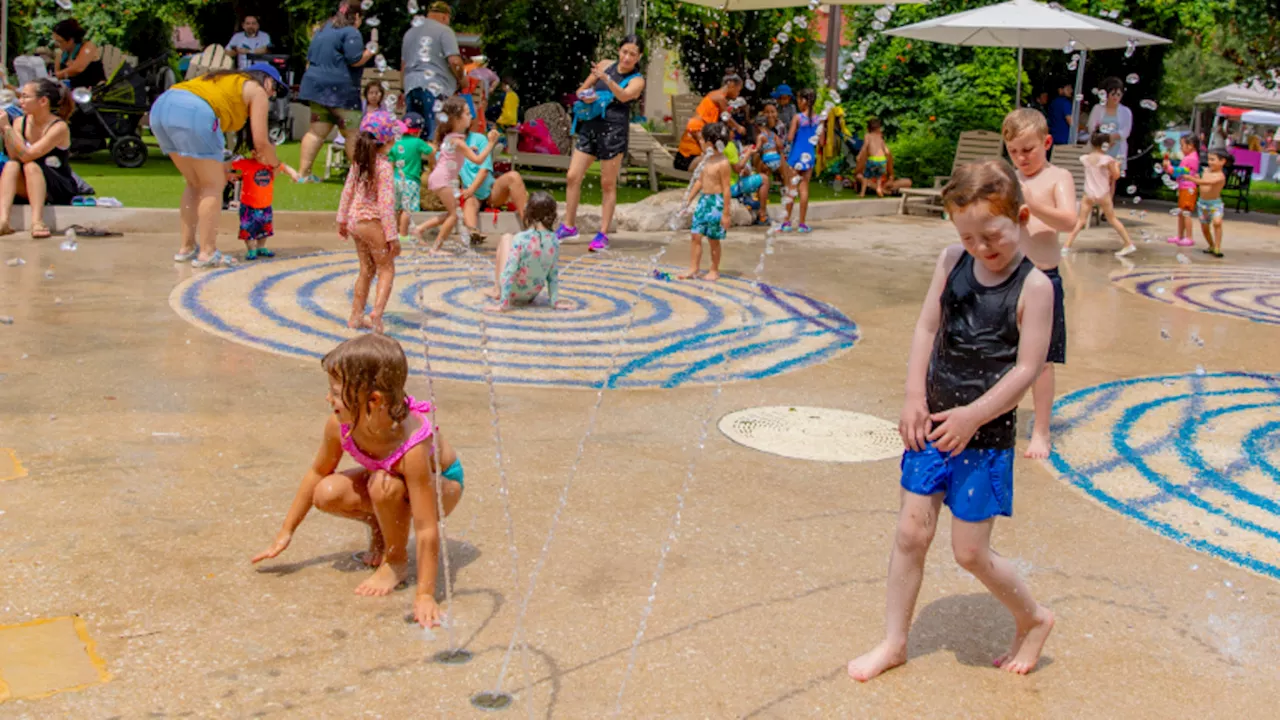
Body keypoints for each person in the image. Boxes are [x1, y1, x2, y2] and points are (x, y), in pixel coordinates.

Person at [847, 159, 1055, 683]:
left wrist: (973, 415)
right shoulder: (950, 261)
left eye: (992, 235)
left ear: (1022, 218)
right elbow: (926, 328)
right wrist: (913, 395)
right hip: (932, 425)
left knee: (969, 553)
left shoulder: (1036, 288)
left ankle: (1033, 618)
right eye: (968, 237)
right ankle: (894, 641)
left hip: (984, 437)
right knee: (910, 534)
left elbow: (1027, 369)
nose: (981, 247)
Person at [251, 334, 465, 628]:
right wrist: (285, 532)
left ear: (374, 399)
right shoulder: (341, 426)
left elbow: (427, 527)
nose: (329, 399)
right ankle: (384, 526)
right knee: (326, 493)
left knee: (384, 485)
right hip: (388, 479)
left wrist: (426, 594)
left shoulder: (412, 445)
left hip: (443, 485)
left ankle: (396, 561)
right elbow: (317, 474)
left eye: (336, 392)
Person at [149, 63, 283, 268]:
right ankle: (208, 252)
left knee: (194, 183)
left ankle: (187, 247)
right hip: (194, 111)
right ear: (267, 79)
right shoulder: (257, 90)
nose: (273, 94)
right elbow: (262, 142)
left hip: (161, 107)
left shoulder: (224, 80)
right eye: (276, 88)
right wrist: (275, 164)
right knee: (212, 185)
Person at [1002, 109, 1076, 461]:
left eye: (1028, 149)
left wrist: (1031, 202)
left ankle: (1042, 430)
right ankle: (995, 415)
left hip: (1043, 279)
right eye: (1014, 151)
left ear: (1046, 143)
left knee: (1042, 361)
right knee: (998, 352)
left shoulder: (1057, 177)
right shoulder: (1008, 178)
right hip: (1009, 277)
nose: (1021, 158)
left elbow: (1068, 219)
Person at [556, 35, 646, 252]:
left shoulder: (638, 80)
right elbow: (580, 91)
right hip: (590, 126)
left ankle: (603, 233)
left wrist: (606, 79)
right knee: (572, 176)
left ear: (639, 57)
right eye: (624, 51)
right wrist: (586, 96)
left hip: (613, 131)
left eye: (632, 54)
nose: (627, 57)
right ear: (619, 49)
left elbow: (624, 96)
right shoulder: (606, 64)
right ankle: (569, 225)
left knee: (607, 184)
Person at [336, 110, 401, 333]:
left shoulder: (360, 162)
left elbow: (347, 192)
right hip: (372, 222)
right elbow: (385, 204)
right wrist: (392, 236)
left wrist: (342, 219)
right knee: (386, 268)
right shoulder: (384, 166)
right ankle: (377, 315)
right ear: (389, 140)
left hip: (355, 221)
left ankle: (356, 316)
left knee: (366, 269)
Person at [296, 2, 374, 182]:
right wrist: (370, 52)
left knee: (316, 132)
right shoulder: (351, 32)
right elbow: (354, 60)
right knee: (352, 132)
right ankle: (360, 178)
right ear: (356, 17)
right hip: (341, 90)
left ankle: (303, 174)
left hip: (315, 88)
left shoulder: (323, 29)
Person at [415, 97, 500, 252]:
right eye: (467, 114)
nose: (471, 117)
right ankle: (435, 248)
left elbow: (452, 155)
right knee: (454, 216)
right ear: (456, 119)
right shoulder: (458, 141)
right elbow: (478, 159)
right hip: (443, 180)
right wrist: (490, 144)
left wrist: (471, 149)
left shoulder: (452, 139)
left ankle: (420, 228)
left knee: (452, 213)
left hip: (439, 179)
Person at [0, 79, 76, 238]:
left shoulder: (58, 127)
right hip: (29, 183)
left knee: (31, 166)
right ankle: (3, 220)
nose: (20, 101)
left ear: (43, 101)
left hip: (56, 185)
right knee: (12, 165)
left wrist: (6, 127)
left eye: (25, 97)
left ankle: (37, 221)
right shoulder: (20, 122)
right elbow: (15, 155)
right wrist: (8, 131)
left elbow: (28, 156)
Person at [486, 192, 570, 312]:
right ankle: (498, 290)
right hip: (531, 295)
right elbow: (553, 275)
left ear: (528, 213)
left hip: (512, 292)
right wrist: (554, 302)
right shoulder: (554, 240)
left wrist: (503, 305)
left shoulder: (521, 238)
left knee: (506, 238)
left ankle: (497, 291)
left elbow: (509, 271)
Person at [1063, 132, 1135, 257]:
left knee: (1081, 221)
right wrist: (1117, 165)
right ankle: (1128, 243)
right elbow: (1116, 175)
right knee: (1112, 219)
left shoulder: (1085, 158)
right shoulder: (1107, 160)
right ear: (1105, 145)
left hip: (1089, 193)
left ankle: (1066, 246)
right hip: (1103, 193)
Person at [402, 1, 465, 140]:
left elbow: (404, 65)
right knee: (436, 135)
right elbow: (455, 61)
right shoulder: (445, 30)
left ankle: (412, 161)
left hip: (410, 87)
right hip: (435, 88)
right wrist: (462, 78)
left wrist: (403, 90)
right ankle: (434, 161)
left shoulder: (409, 32)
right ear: (445, 16)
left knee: (412, 135)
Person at [677, 122, 732, 282]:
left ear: (711, 143)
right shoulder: (705, 161)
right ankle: (694, 268)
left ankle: (714, 270)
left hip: (716, 203)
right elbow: (700, 182)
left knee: (713, 239)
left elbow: (727, 189)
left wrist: (726, 213)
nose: (699, 143)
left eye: (702, 140)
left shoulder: (723, 163)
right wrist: (688, 200)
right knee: (695, 235)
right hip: (704, 201)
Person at [231, 142, 300, 260]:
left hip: (265, 205)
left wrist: (293, 174)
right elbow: (228, 166)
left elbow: (284, 167)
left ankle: (261, 246)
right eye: (267, 153)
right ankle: (251, 249)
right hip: (249, 206)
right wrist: (228, 175)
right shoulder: (246, 164)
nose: (271, 156)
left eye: (272, 153)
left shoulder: (271, 166)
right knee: (248, 230)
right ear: (254, 153)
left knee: (265, 229)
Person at [460, 125, 529, 243]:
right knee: (470, 202)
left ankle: (528, 225)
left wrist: (471, 189)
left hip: (490, 191)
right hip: (470, 195)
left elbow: (484, 169)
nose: (469, 118)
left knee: (514, 176)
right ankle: (473, 231)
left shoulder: (479, 139)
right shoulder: (447, 144)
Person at [673, 72, 745, 173]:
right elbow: (727, 118)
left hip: (689, 153)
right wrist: (738, 127)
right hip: (688, 158)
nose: (738, 94)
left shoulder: (713, 95)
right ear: (731, 85)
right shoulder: (720, 98)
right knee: (716, 162)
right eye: (738, 91)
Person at [388, 112, 435, 243]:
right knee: (406, 210)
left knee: (397, 208)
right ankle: (403, 235)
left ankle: (395, 232)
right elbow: (431, 151)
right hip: (411, 181)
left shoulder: (397, 143)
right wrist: (432, 165)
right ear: (418, 131)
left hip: (396, 179)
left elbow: (390, 161)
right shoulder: (417, 142)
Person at [781, 88, 820, 233]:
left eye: (799, 99)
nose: (797, 102)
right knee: (804, 189)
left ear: (804, 101)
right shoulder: (818, 119)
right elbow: (820, 141)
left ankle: (786, 222)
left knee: (792, 189)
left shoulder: (798, 118)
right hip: (809, 156)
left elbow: (790, 137)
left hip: (796, 156)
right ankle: (802, 224)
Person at [1190, 148, 1229, 257]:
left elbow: (1206, 183)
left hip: (1215, 204)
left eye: (1213, 159)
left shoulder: (1220, 176)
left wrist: (1192, 179)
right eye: (1209, 159)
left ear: (1222, 161)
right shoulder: (1206, 171)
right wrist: (1196, 177)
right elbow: (1201, 180)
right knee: (1205, 227)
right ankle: (1211, 245)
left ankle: (1217, 247)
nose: (1210, 162)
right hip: (1202, 204)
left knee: (1217, 223)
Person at [1087, 77, 1133, 169]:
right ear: (1107, 94)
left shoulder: (1126, 111)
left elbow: (1126, 131)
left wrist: (1112, 137)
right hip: (1099, 147)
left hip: (1117, 148)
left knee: (1114, 176)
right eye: (1113, 94)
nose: (1115, 97)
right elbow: (1091, 128)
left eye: (1118, 94)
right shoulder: (1098, 108)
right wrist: (1104, 138)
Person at [1163, 134, 1200, 248]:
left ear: (1191, 146)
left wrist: (1169, 168)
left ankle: (1189, 237)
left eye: (1182, 145)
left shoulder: (1191, 158)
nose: (1180, 148)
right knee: (1181, 213)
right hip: (1184, 187)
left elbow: (1180, 172)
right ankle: (1180, 236)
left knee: (1186, 212)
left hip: (1188, 188)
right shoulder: (1190, 157)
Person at [723, 135, 769, 225]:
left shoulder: (714, 147)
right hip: (732, 188)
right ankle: (762, 215)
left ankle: (750, 203)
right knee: (764, 179)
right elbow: (738, 168)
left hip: (720, 187)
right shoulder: (729, 146)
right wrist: (749, 153)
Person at [51, 19, 105, 90]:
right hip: (71, 92)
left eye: (59, 41)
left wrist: (55, 76)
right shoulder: (61, 53)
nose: (57, 44)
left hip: (93, 91)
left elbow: (78, 68)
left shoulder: (88, 47)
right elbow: (57, 74)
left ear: (71, 40)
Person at [855, 117, 891, 197]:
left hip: (873, 159)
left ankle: (862, 193)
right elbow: (887, 151)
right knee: (879, 177)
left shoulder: (868, 136)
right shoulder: (880, 137)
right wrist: (886, 159)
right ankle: (878, 188)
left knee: (865, 177)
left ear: (868, 128)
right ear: (878, 128)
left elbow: (865, 146)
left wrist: (859, 155)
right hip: (882, 160)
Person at [1047, 82, 1075, 147]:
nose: (1071, 90)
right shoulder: (1065, 103)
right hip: (1064, 138)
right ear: (1060, 90)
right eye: (1068, 88)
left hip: (1053, 137)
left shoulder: (1053, 102)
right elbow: (1070, 120)